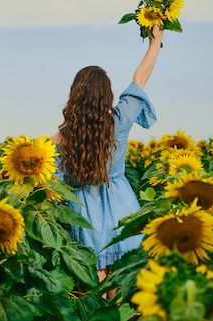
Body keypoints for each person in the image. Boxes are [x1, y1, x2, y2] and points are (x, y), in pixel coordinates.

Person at [53, 26, 163, 299]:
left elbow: (49, 179)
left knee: (94, 292)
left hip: (85, 217)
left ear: (75, 95)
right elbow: (140, 79)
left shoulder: (63, 136)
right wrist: (156, 42)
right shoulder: (119, 121)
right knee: (122, 289)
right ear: (107, 95)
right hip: (121, 209)